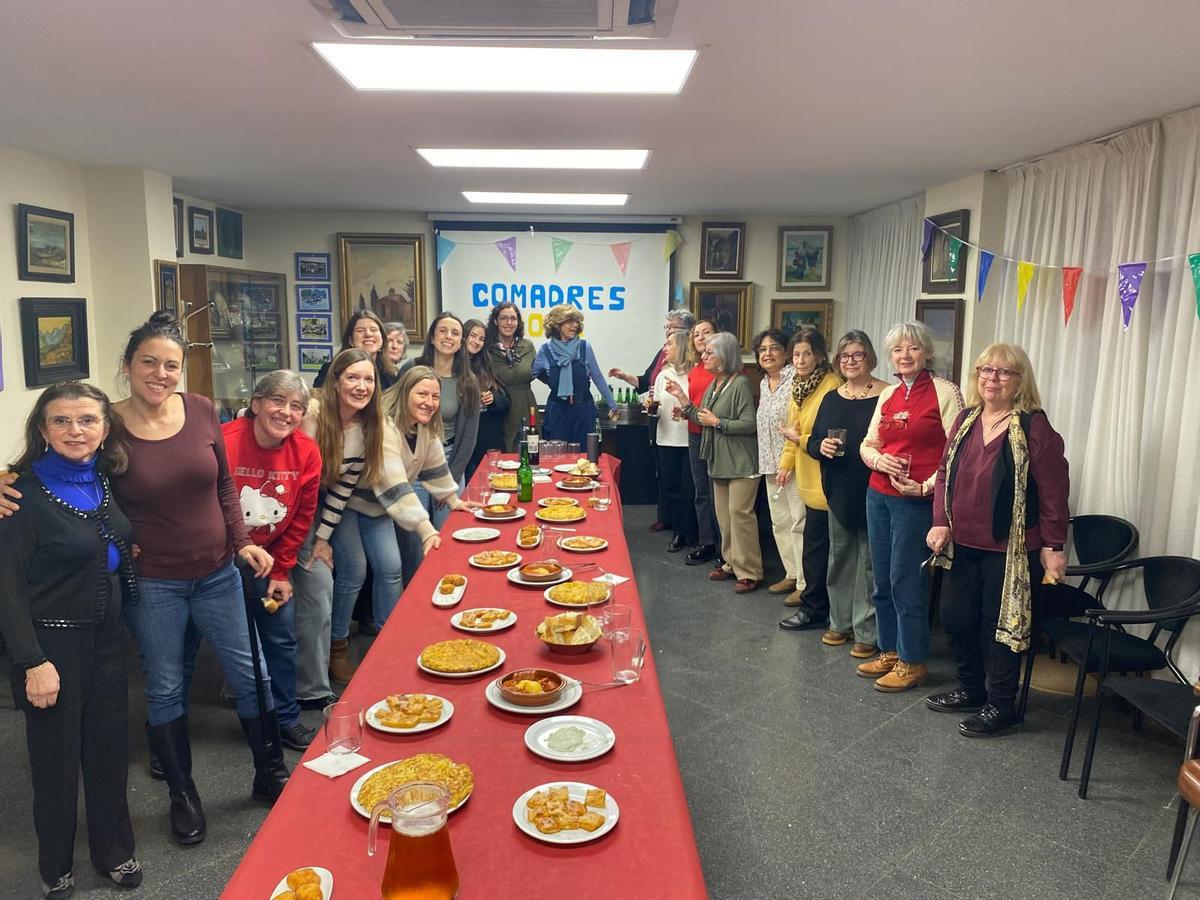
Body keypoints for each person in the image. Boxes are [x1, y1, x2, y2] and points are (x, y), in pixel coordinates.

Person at [112, 312, 283, 846]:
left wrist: (244, 543)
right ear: (128, 366)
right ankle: (182, 796)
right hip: (155, 582)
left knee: (252, 672)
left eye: (171, 365)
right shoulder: (105, 423)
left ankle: (268, 772)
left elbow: (226, 488)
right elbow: (75, 487)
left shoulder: (203, 410)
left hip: (217, 573)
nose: (161, 374)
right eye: (149, 363)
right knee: (165, 688)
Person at [0, 383, 143, 898]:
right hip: (50, 648)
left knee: (108, 753)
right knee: (56, 763)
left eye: (86, 420)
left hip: (106, 640)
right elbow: (7, 590)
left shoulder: (102, 480)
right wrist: (32, 662)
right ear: (42, 430)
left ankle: (114, 851)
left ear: (105, 428)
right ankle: (54, 865)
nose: (74, 431)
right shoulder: (18, 494)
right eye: (61, 421)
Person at [306, 349, 478, 682]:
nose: (428, 402)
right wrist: (426, 529)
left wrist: (452, 499)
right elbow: (396, 484)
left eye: (434, 396)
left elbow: (435, 467)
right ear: (404, 392)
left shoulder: (425, 429)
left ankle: (389, 640)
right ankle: (336, 646)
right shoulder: (384, 428)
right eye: (421, 394)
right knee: (354, 571)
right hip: (348, 506)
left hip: (379, 508)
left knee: (391, 568)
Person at [925, 344, 1069, 736]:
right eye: (985, 370)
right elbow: (943, 473)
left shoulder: (1034, 427)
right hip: (961, 544)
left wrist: (1054, 548)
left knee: (1000, 628)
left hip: (1010, 549)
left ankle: (1001, 705)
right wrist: (940, 521)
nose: (992, 378)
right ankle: (971, 689)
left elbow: (1055, 491)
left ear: (1020, 380)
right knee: (955, 618)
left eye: (1004, 373)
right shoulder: (967, 419)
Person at [858, 321, 964, 692]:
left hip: (916, 502)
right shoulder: (888, 395)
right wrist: (878, 461)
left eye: (913, 349)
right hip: (878, 495)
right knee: (882, 578)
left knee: (907, 580)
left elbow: (957, 455)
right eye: (898, 350)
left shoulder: (945, 392)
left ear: (927, 352)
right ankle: (889, 649)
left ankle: (913, 659)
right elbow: (867, 443)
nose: (905, 356)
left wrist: (925, 487)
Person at [222, 370, 322, 751]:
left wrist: (281, 570)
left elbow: (301, 517)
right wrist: (238, 549)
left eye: (296, 406)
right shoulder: (225, 441)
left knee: (281, 637)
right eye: (277, 401)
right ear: (257, 403)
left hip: (271, 559)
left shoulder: (306, 451)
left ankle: (285, 718)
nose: (286, 412)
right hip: (221, 556)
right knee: (195, 643)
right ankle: (171, 739)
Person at [801, 331, 884, 658]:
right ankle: (840, 623)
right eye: (844, 356)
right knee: (839, 561)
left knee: (869, 565)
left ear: (870, 358)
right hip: (837, 489)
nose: (850, 361)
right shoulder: (832, 397)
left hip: (874, 489)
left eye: (858, 355)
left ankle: (866, 631)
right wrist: (819, 445)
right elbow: (813, 439)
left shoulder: (885, 395)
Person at [665, 331, 761, 592]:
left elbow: (750, 424)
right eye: (704, 352)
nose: (703, 356)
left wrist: (718, 423)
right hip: (719, 460)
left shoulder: (740, 383)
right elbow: (700, 417)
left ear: (726, 356)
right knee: (725, 518)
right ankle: (731, 563)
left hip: (740, 462)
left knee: (740, 517)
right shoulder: (716, 383)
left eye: (710, 352)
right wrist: (682, 399)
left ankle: (750, 572)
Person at [398, 312, 481, 581]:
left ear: (461, 342)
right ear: (432, 337)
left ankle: (446, 594)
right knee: (414, 544)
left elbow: (468, 438)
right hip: (411, 465)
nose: (448, 337)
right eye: (443, 331)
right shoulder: (411, 369)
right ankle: (415, 604)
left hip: (450, 462)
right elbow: (396, 418)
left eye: (455, 333)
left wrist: (450, 482)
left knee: (449, 538)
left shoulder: (468, 381)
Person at [776, 329, 840, 629]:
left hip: (826, 480)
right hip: (806, 477)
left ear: (819, 356)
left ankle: (816, 609)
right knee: (815, 546)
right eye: (796, 354)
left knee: (820, 549)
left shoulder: (830, 386)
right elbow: (794, 429)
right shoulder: (800, 386)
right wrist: (785, 463)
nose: (800, 360)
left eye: (806, 354)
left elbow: (816, 437)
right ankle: (816, 605)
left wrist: (798, 439)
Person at [610, 309, 696, 532]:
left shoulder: (694, 370)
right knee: (664, 474)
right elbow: (646, 380)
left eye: (672, 328)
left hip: (685, 432)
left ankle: (680, 525)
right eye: (666, 328)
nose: (667, 334)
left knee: (682, 482)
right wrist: (624, 376)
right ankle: (667, 518)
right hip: (659, 423)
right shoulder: (663, 358)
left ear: (686, 333)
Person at [750, 328, 801, 597]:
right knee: (779, 523)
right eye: (762, 350)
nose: (767, 354)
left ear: (786, 351)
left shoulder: (796, 379)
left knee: (798, 523)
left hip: (792, 463)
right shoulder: (763, 383)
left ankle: (804, 584)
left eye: (774, 348)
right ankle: (790, 574)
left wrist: (787, 462)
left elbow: (799, 422)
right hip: (769, 463)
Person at [532, 306, 618, 446]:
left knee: (585, 458)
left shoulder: (585, 347)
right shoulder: (545, 350)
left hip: (583, 411)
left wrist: (612, 405)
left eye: (577, 321)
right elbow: (528, 375)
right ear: (556, 324)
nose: (575, 325)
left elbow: (598, 378)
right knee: (557, 458)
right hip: (557, 413)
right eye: (569, 321)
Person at [650, 330, 697, 552]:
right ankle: (679, 531)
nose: (665, 348)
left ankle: (691, 532)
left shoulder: (695, 374)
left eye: (670, 344)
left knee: (690, 490)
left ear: (682, 347)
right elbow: (657, 406)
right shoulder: (662, 375)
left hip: (689, 440)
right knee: (671, 488)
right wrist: (651, 408)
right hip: (666, 438)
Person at [682, 320, 721, 566]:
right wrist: (684, 409)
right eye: (696, 334)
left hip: (716, 435)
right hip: (695, 432)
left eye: (706, 332)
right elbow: (695, 400)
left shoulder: (725, 368)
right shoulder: (696, 368)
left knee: (718, 492)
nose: (701, 336)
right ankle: (706, 542)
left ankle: (722, 547)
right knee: (702, 492)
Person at [463, 317, 511, 480]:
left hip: (487, 438)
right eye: (473, 336)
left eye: (481, 339)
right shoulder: (451, 365)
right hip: (462, 439)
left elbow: (506, 399)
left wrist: (494, 399)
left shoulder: (486, 364)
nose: (477, 342)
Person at [485, 302, 537, 451]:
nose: (509, 323)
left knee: (530, 451)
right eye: (504, 318)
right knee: (505, 454)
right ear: (495, 321)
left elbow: (542, 373)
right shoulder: (487, 349)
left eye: (513, 319)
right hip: (500, 409)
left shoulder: (527, 346)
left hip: (527, 405)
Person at [312, 310, 398, 392]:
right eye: (360, 330)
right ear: (350, 340)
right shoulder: (331, 370)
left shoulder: (390, 374)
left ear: (382, 338)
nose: (368, 334)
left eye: (373, 330)